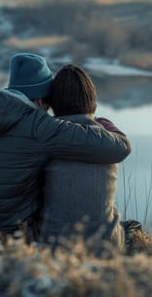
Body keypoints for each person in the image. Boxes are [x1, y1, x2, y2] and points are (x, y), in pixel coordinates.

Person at [0, 53, 131, 242]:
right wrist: (104, 124)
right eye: (48, 104)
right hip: (12, 237)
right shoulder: (39, 125)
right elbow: (117, 148)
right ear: (39, 100)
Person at [39, 64, 125, 251]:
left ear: (54, 104)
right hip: (106, 247)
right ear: (92, 100)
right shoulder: (110, 142)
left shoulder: (44, 140)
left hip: (55, 247)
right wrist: (103, 122)